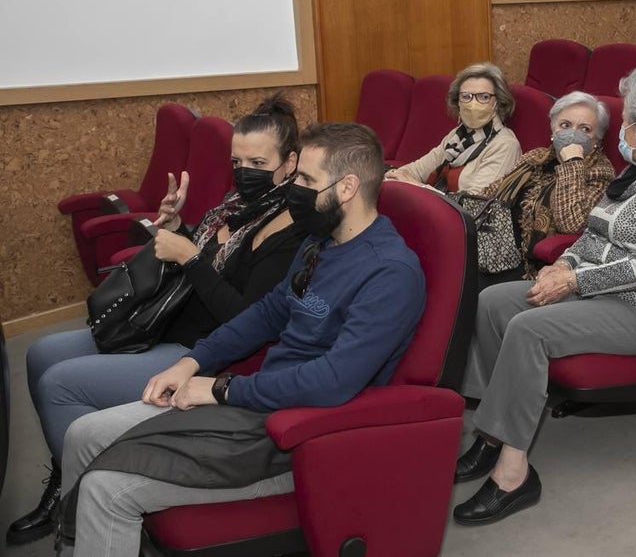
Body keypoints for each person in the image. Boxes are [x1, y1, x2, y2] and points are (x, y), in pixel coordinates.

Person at [57, 122, 425, 557]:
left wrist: (219, 388)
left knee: (106, 489)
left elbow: (333, 380)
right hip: (258, 406)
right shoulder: (318, 242)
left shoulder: (390, 273)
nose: (296, 189)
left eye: (307, 179)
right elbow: (267, 313)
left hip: (298, 436)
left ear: (347, 188)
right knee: (82, 434)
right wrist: (193, 362)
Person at [7, 95, 307, 547]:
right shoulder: (236, 203)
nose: (245, 170)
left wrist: (190, 258)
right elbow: (205, 262)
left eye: (258, 161)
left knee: (60, 384)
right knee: (41, 353)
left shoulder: (288, 226)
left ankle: (76, 496)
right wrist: (176, 225)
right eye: (237, 160)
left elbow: (246, 320)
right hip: (168, 323)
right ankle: (66, 474)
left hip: (202, 350)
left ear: (290, 163)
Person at [453, 66, 636, 526]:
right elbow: (591, 233)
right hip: (596, 290)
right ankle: (491, 436)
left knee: (528, 329)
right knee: (492, 304)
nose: (622, 128)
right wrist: (566, 263)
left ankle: (513, 474)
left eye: (627, 118)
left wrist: (573, 281)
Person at [472, 91, 616, 290]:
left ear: (597, 139)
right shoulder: (535, 157)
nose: (572, 134)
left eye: (584, 129)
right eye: (565, 125)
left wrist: (573, 162)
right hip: (494, 249)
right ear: (553, 129)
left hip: (534, 268)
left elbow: (571, 224)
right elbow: (490, 194)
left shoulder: (600, 172)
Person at [385, 62, 521, 194]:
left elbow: (474, 205)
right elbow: (418, 169)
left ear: (498, 102)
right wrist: (395, 176)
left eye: (484, 97)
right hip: (435, 211)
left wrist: (417, 186)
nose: (473, 103)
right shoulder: (458, 135)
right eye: (466, 97)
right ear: (458, 102)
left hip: (463, 216)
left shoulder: (505, 145)